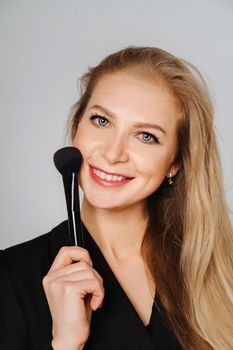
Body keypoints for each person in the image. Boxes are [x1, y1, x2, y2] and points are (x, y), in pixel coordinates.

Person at [0, 46, 232, 350]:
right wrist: (66, 343)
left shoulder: (222, 272)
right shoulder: (10, 278)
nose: (112, 153)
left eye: (146, 136)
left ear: (175, 162)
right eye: (101, 121)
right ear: (77, 126)